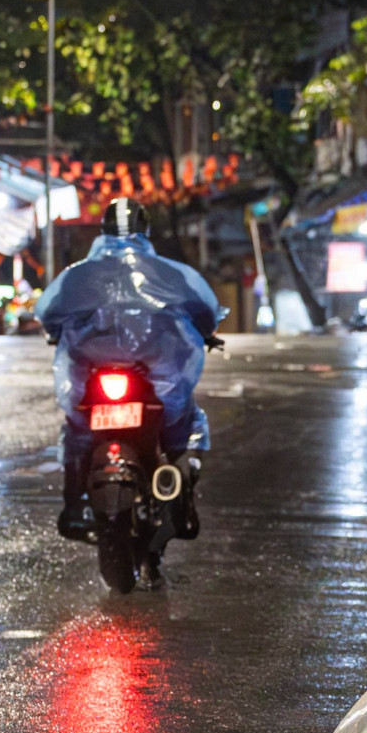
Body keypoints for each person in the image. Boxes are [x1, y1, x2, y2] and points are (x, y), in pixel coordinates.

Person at [35, 197, 222, 539]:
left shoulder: (78, 275)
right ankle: (183, 503)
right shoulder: (171, 273)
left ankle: (74, 508)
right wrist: (207, 334)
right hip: (153, 374)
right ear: (146, 229)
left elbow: (48, 312)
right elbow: (204, 308)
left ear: (102, 229)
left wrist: (58, 333)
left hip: (92, 373)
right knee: (182, 425)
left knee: (78, 430)